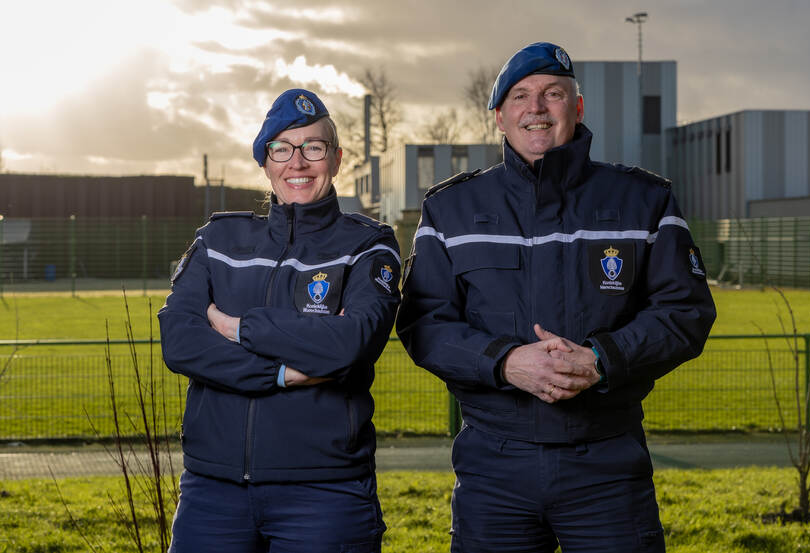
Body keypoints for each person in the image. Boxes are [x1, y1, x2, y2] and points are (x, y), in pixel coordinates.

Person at [397, 42, 716, 552]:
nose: (537, 108)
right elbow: (423, 323)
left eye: (553, 93)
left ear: (578, 107)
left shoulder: (643, 199)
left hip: (608, 466)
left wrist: (600, 360)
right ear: (499, 117)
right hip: (492, 469)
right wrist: (505, 362)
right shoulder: (450, 208)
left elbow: (686, 312)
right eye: (520, 96)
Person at [158, 88, 400, 553]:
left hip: (325, 492)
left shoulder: (367, 245)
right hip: (213, 491)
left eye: (313, 147)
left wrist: (240, 329)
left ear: (336, 158)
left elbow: (351, 343)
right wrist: (282, 374)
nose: (298, 162)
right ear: (265, 162)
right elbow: (180, 340)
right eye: (282, 149)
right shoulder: (219, 239)